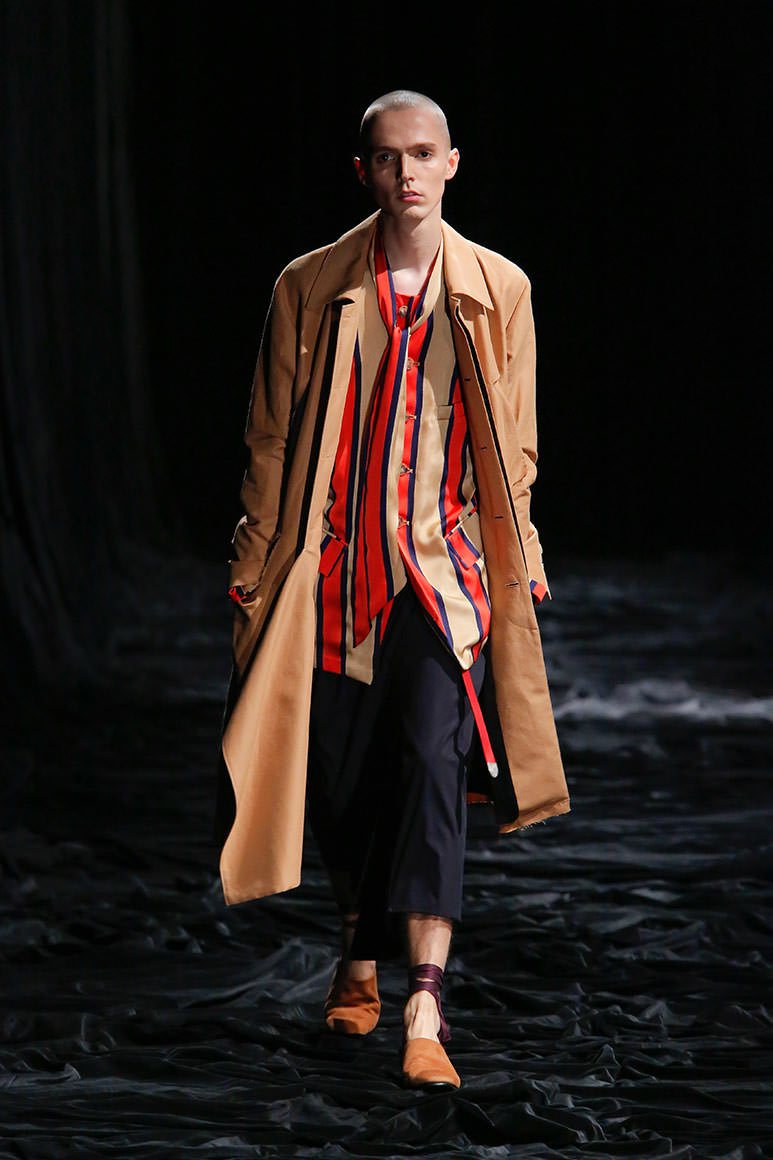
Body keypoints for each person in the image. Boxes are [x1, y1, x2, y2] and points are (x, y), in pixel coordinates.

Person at [215, 90, 570, 1090]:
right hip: (330, 570)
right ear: (363, 170)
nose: (406, 172)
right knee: (338, 778)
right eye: (386, 157)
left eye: (422, 154)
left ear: (451, 163)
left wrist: (520, 551)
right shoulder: (308, 285)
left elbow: (518, 443)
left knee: (429, 760)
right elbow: (269, 437)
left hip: (440, 570)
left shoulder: (498, 287)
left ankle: (423, 1001)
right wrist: (252, 563)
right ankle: (356, 951)